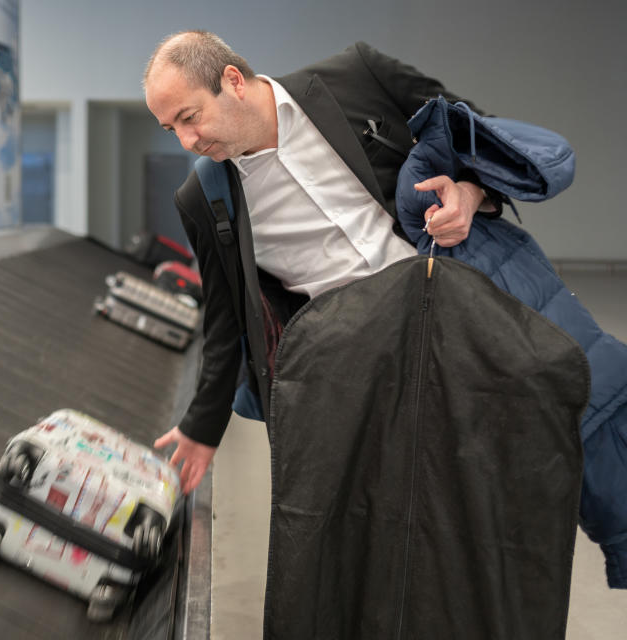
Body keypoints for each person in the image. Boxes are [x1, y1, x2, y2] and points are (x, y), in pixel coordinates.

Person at [143, 31, 498, 493]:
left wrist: (470, 193)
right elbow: (225, 318)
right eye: (172, 130)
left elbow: (480, 137)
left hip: (470, 313)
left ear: (232, 81)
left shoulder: (356, 76)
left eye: (190, 117)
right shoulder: (204, 198)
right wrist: (202, 426)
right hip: (369, 379)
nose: (188, 141)